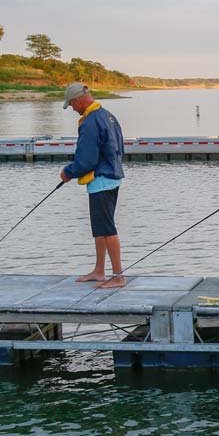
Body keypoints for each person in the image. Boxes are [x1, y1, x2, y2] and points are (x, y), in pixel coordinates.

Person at [60, 82, 128, 289]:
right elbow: (120, 146)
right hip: (111, 175)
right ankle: (99, 271)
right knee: (99, 228)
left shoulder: (90, 121)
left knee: (107, 228)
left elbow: (87, 160)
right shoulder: (107, 115)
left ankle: (118, 276)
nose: (72, 108)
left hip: (102, 180)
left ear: (79, 99)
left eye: (72, 104)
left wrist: (68, 172)